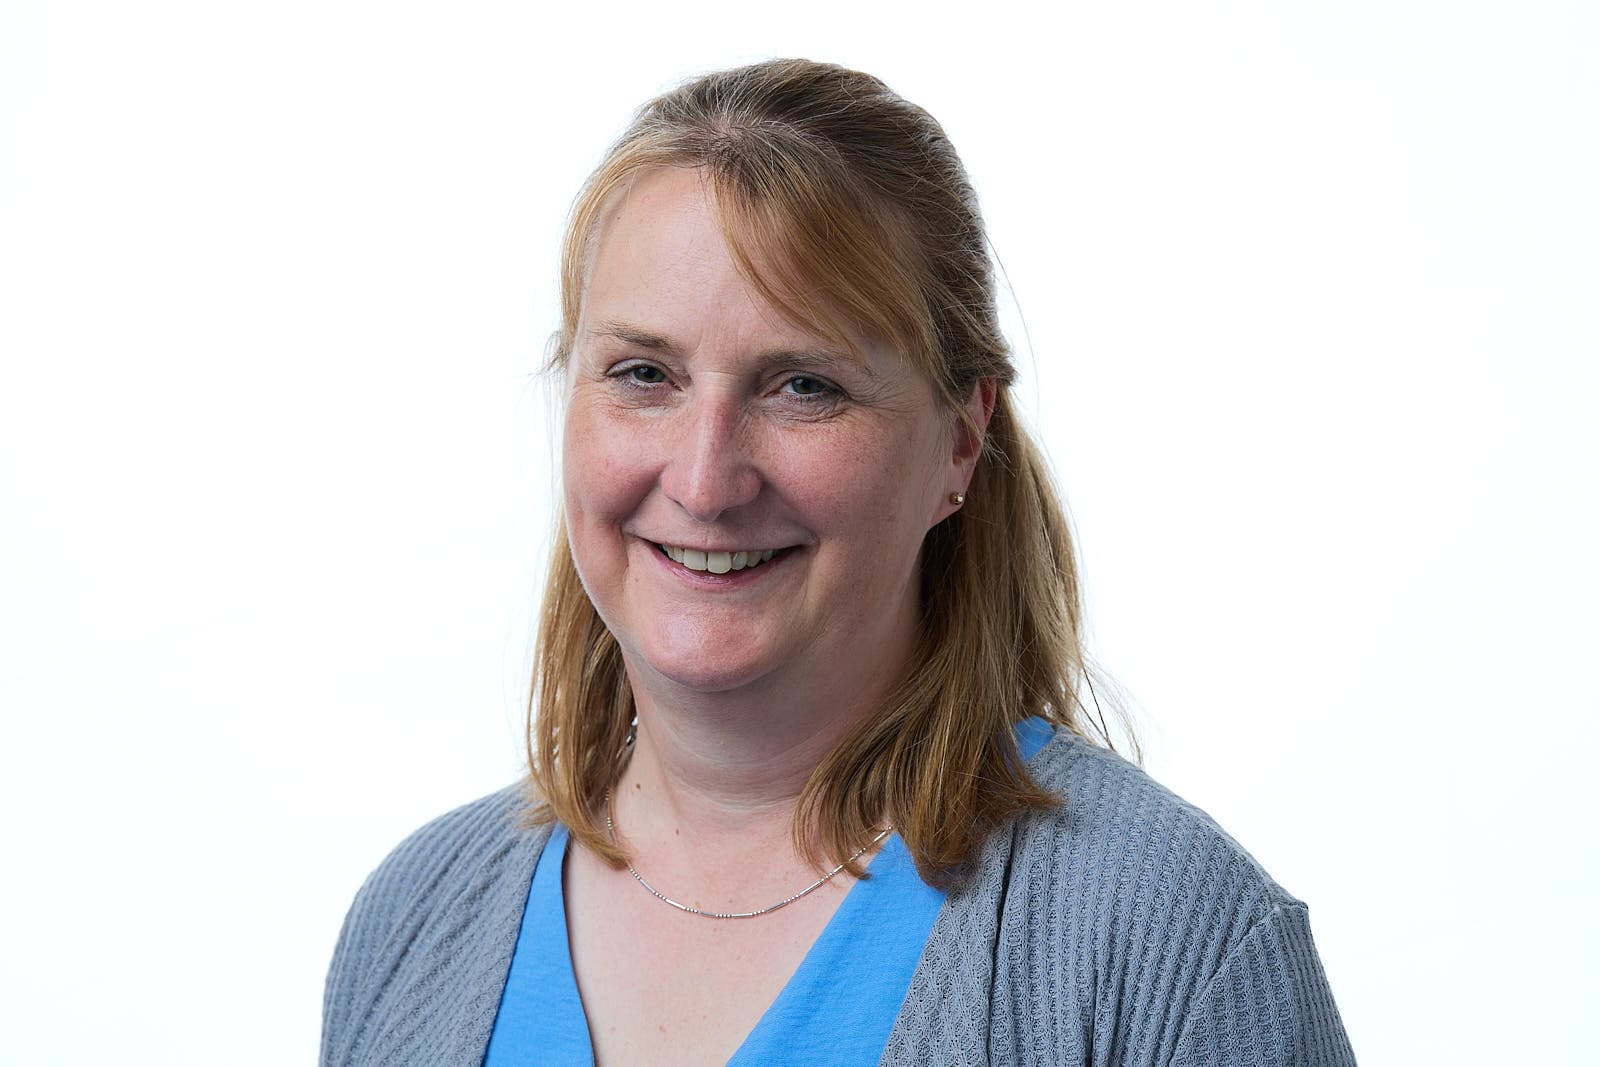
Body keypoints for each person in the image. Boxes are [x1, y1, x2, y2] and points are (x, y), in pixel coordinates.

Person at [321, 59, 1356, 1066]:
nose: (704, 477)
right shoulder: (411, 924)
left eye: (803, 386)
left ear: (960, 436)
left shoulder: (1176, 942)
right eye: (644, 373)